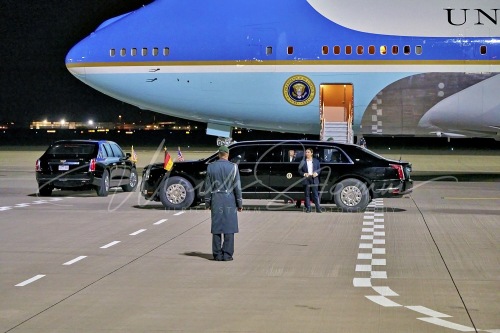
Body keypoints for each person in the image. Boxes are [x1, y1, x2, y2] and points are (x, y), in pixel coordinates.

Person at [204, 145, 243, 261]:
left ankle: (217, 254)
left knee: (216, 227)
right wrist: (239, 203)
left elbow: (207, 187)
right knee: (229, 227)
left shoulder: (211, 167)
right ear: (227, 154)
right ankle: (227, 254)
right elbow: (237, 187)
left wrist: (207, 202)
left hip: (216, 199)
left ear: (218, 154)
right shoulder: (234, 167)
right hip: (229, 199)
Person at [298, 148, 322, 213]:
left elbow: (319, 169)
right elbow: (299, 171)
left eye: (308, 152)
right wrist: (304, 174)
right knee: (307, 194)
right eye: (306, 152)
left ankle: (318, 208)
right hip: (306, 179)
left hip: (314, 178)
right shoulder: (302, 162)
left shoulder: (316, 161)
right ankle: (308, 208)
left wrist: (316, 173)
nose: (307, 153)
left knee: (315, 194)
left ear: (312, 153)